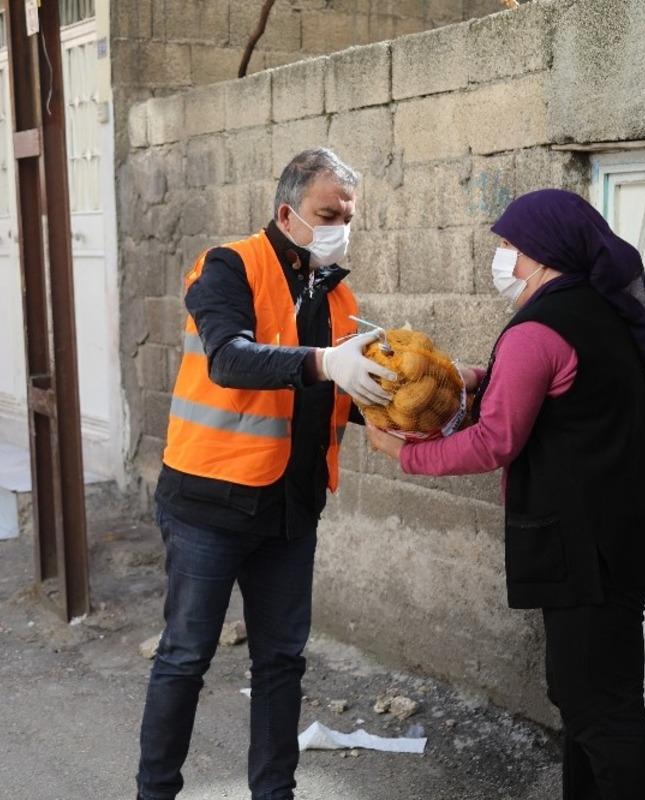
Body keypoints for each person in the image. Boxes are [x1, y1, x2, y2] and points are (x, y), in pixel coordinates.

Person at [366, 189, 645, 800]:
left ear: (543, 253)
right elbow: (557, 389)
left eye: (510, 247)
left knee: (601, 714)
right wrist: (477, 376)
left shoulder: (537, 330)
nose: (503, 259)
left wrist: (404, 453)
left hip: (587, 548)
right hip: (625, 536)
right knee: (588, 700)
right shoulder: (596, 307)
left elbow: (494, 441)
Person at [136, 148, 396, 800]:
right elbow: (229, 359)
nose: (340, 227)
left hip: (290, 509)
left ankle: (274, 795)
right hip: (208, 505)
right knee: (186, 658)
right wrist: (325, 365)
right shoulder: (227, 267)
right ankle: (155, 793)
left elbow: (331, 389)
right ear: (288, 212)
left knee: (281, 663)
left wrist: (404, 401)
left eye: (348, 216)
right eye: (327, 214)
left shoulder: (338, 298)